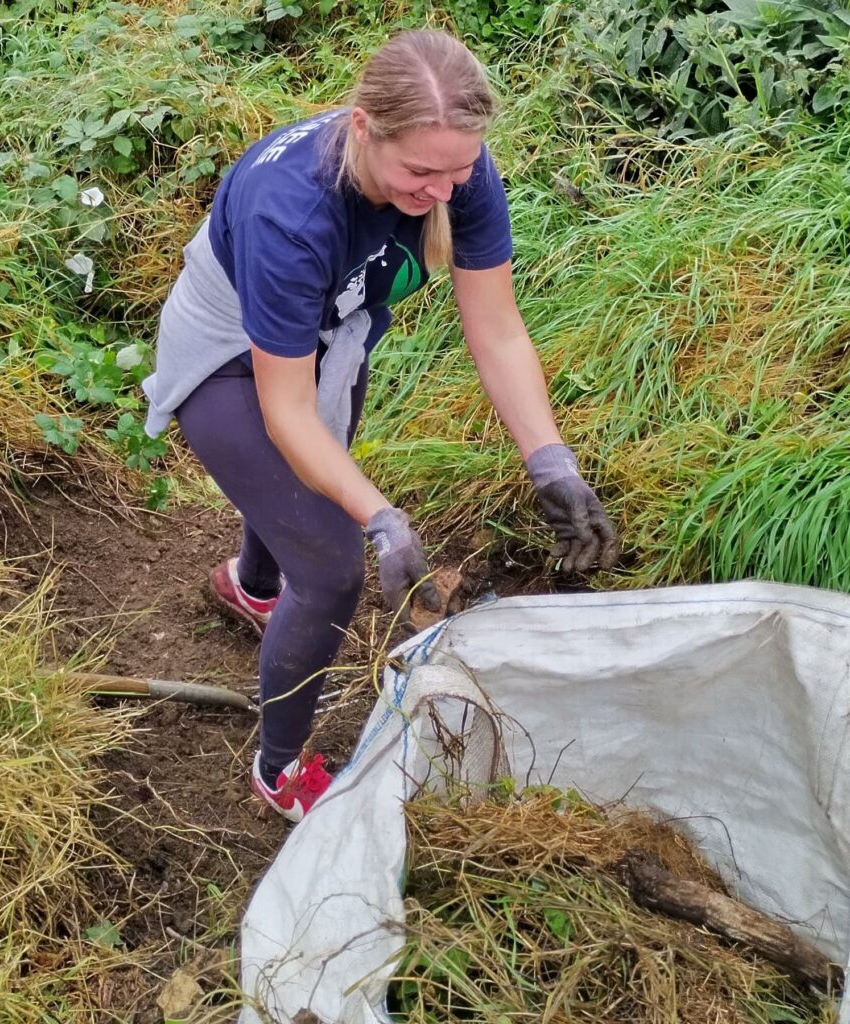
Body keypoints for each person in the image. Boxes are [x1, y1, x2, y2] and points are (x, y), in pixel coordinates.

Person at [142, 29, 619, 823]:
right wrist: (383, 521)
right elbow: (286, 409)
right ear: (364, 128)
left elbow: (496, 328)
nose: (441, 190)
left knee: (307, 502)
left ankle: (252, 588)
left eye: (458, 172)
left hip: (331, 338)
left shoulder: (455, 168)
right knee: (332, 567)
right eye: (420, 173)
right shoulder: (294, 212)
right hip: (228, 355)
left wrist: (552, 463)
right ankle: (278, 768)